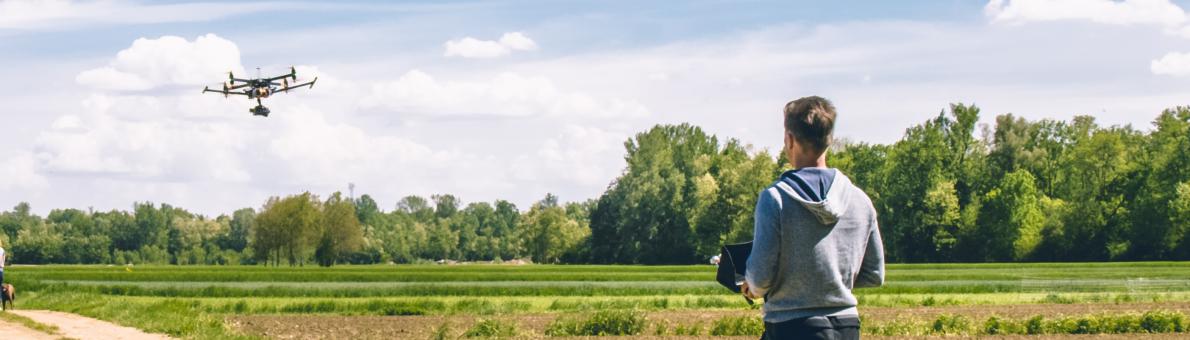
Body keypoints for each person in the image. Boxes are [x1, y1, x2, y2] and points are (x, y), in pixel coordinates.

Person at [741, 96, 885, 340]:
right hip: (847, 326)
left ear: (789, 139)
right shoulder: (860, 201)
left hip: (791, 327)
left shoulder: (775, 199)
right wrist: (830, 282)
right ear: (829, 140)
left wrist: (751, 287)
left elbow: (761, 278)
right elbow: (874, 274)